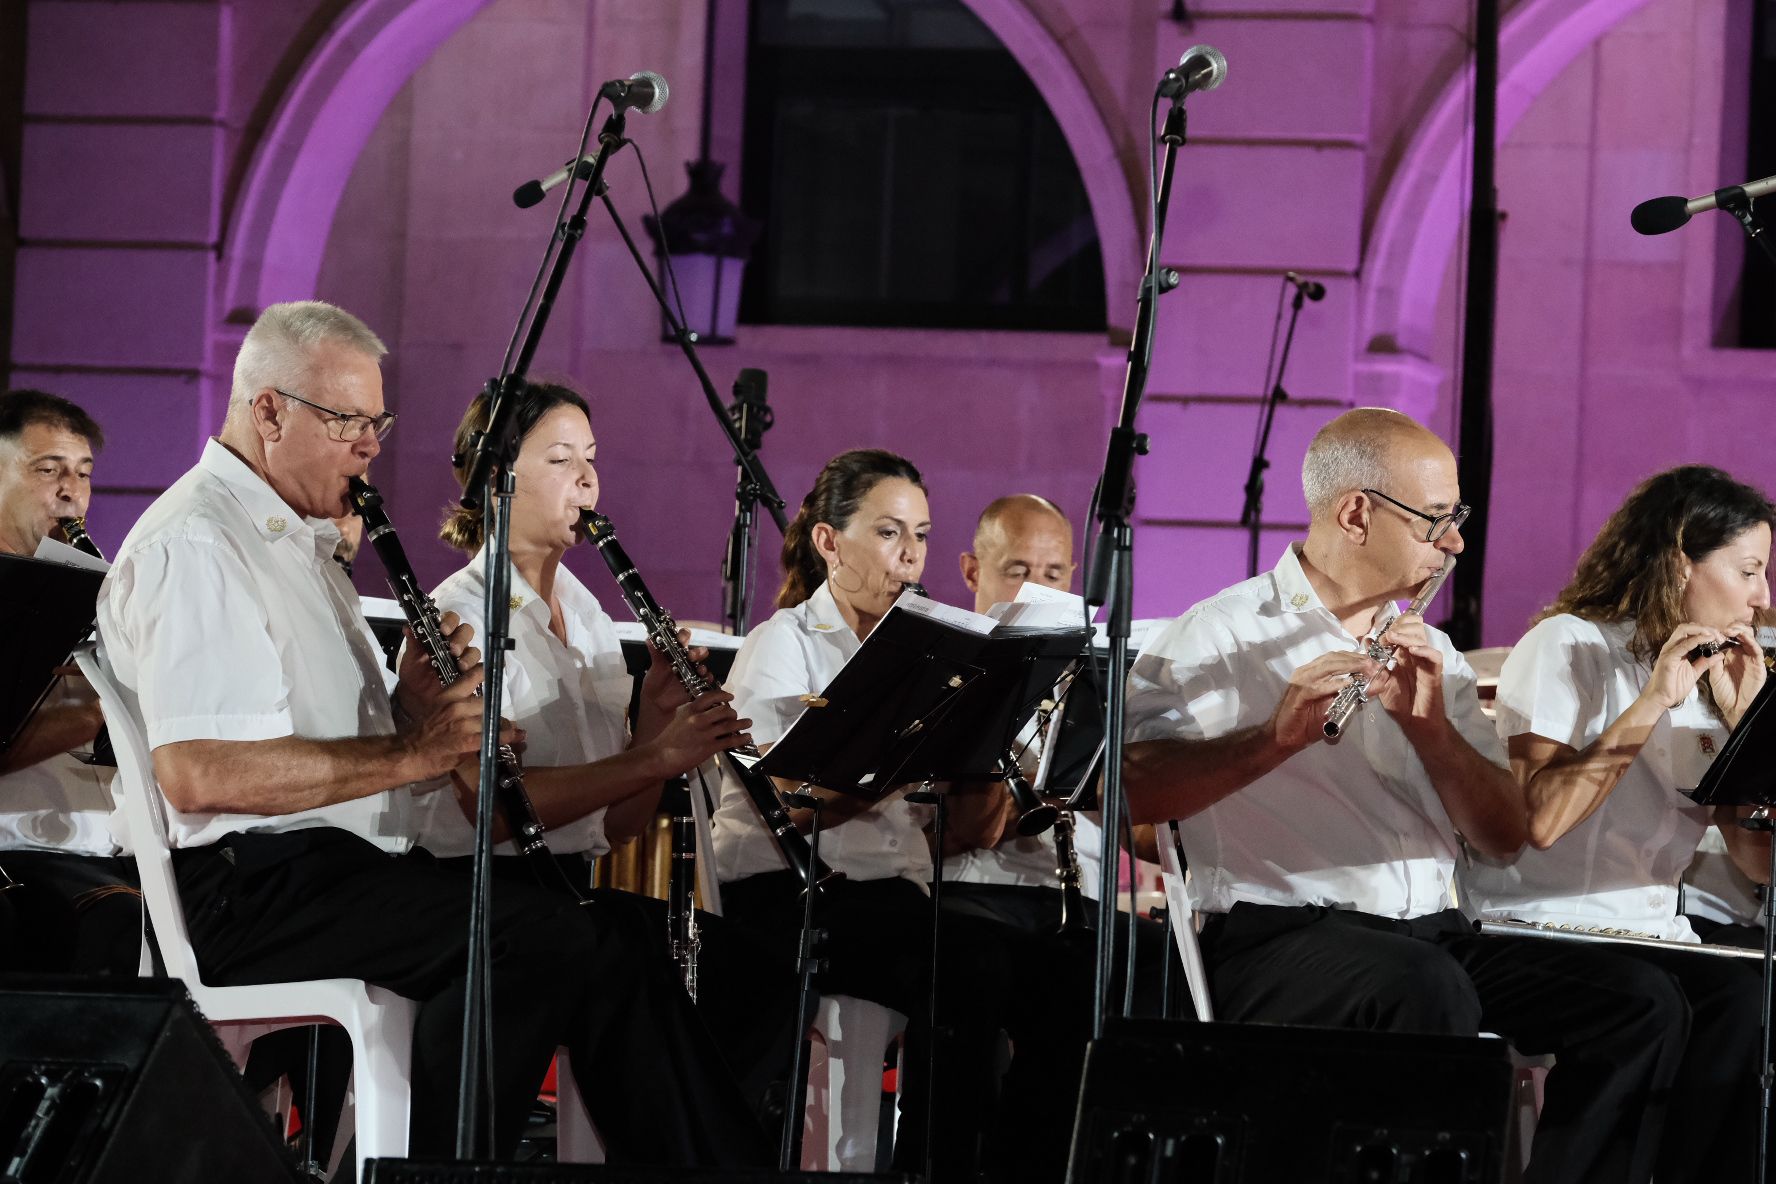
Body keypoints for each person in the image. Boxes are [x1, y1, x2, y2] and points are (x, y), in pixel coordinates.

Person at [95, 300, 766, 1164]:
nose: (371, 445)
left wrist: (416, 712)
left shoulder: (295, 544)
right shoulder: (200, 543)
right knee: (536, 934)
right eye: (349, 422)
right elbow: (197, 773)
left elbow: (333, 750)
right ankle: (429, 1171)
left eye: (379, 421)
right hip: (247, 888)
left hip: (330, 874)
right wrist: (419, 749)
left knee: (619, 936)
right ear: (267, 411)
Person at [1123, 407, 1687, 1183]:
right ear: (1356, 512)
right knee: (1426, 990)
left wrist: (1432, 730)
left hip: (1432, 932)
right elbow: (1126, 797)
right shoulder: (1214, 634)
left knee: (1642, 1002)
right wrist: (1273, 739)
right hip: (1276, 936)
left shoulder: (1436, 652)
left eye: (1456, 519)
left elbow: (1502, 837)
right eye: (1435, 521)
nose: (1454, 544)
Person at [709, 450, 1086, 1184]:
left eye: (918, 534)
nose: (908, 555)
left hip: (892, 901)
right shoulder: (782, 642)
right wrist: (912, 740)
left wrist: (995, 723)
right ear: (828, 542)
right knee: (968, 969)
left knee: (1039, 978)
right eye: (887, 532)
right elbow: (795, 795)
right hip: (789, 895)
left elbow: (967, 828)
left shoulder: (921, 652)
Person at [423, 379, 795, 1116]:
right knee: (634, 972)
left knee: (755, 976)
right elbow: (495, 815)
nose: (587, 478)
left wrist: (657, 721)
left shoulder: (590, 617)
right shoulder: (456, 615)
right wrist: (654, 758)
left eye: (591, 457)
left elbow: (618, 826)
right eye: (561, 458)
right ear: (498, 479)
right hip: (480, 898)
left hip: (571, 890)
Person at [1462, 464, 1773, 1184]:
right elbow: (1539, 818)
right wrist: (1652, 702)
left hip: (1653, 930)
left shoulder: (1716, 673)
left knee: (1752, 1000)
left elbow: (1757, 866)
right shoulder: (1568, 644)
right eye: (1749, 571)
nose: (1762, 598)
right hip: (1535, 921)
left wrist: (1748, 729)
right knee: (1648, 1004)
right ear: (1679, 563)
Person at [942, 493, 1171, 1015]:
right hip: (979, 890)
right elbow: (959, 830)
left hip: (1079, 897)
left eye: (1052, 574)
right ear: (973, 571)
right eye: (1017, 570)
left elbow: (1129, 826)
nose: (1036, 590)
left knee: (1160, 967)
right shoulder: (951, 663)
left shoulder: (1089, 671)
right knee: (990, 969)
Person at [0, 388, 141, 976]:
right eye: (47, 469)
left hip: (114, 840)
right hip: (23, 846)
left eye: (82, 473)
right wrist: (93, 709)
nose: (71, 491)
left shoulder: (96, 586)